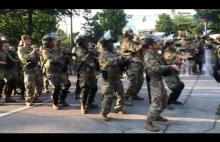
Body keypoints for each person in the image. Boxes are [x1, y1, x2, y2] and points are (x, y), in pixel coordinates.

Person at [142, 34, 180, 132]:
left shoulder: (156, 53)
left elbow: (165, 63)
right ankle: (148, 122)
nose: (159, 43)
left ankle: (157, 116)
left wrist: (174, 64)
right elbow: (155, 68)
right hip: (154, 81)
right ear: (151, 44)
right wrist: (170, 67)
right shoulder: (148, 55)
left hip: (159, 80)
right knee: (156, 103)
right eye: (157, 42)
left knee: (164, 100)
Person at [99, 30, 131, 121]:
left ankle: (119, 108)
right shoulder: (103, 53)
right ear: (105, 44)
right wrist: (121, 58)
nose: (112, 44)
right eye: (110, 43)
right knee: (108, 96)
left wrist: (127, 59)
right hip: (108, 78)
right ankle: (103, 113)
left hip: (116, 77)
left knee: (121, 93)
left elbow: (121, 57)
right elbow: (111, 61)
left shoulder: (113, 52)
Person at [72, 31, 99, 114]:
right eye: (85, 40)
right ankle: (83, 105)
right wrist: (90, 52)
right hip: (83, 71)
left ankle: (90, 102)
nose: (87, 42)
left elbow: (96, 54)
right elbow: (84, 58)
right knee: (85, 88)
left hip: (90, 70)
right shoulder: (77, 50)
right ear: (81, 42)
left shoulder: (87, 49)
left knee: (94, 87)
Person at [163, 39, 191, 110]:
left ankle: (173, 100)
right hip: (168, 72)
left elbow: (174, 60)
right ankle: (167, 103)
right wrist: (181, 58)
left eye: (173, 43)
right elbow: (171, 57)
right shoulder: (167, 52)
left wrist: (181, 62)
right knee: (176, 89)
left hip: (174, 72)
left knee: (181, 86)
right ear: (168, 45)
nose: (173, 45)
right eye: (172, 44)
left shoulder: (173, 50)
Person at [120, 27, 144, 106]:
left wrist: (141, 42)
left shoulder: (132, 41)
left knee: (140, 80)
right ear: (126, 34)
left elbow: (138, 43)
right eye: (131, 33)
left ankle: (134, 94)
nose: (133, 34)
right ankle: (126, 97)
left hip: (138, 64)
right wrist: (141, 44)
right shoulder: (126, 42)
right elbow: (135, 49)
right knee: (134, 82)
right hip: (132, 64)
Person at [17, 35, 43, 106]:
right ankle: (28, 100)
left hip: (36, 68)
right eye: (28, 39)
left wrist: (39, 52)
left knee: (40, 83)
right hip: (28, 68)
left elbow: (39, 57)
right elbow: (24, 58)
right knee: (30, 85)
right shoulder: (21, 49)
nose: (30, 40)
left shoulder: (32, 48)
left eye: (30, 39)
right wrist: (33, 52)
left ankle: (35, 97)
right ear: (24, 40)